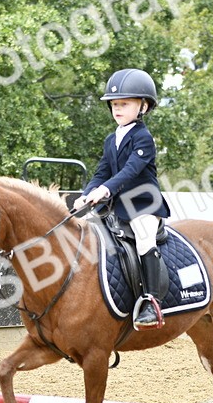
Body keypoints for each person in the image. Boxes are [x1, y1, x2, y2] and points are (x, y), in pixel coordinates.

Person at [73, 68, 170, 330]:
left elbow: (129, 172)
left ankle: (151, 302)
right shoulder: (110, 139)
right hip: (117, 206)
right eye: (114, 104)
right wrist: (85, 195)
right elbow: (102, 171)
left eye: (124, 104)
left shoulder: (143, 138)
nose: (117, 109)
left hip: (143, 203)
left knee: (143, 238)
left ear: (144, 106)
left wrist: (105, 191)